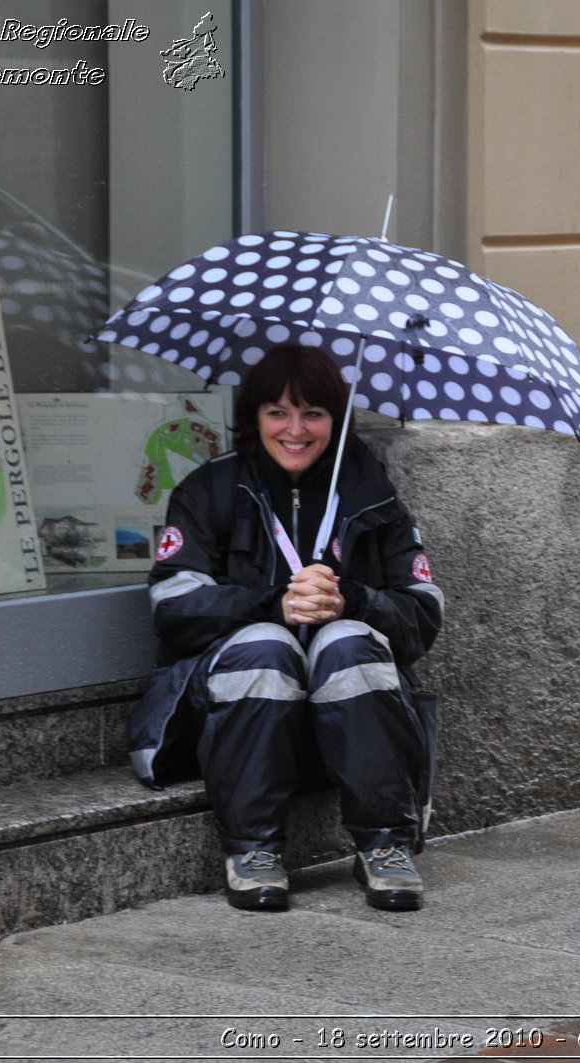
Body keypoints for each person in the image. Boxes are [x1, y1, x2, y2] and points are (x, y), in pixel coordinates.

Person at [127, 343, 444, 912]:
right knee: (265, 646)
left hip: (349, 724)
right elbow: (173, 609)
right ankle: (253, 849)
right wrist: (275, 606)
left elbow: (422, 617)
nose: (295, 429)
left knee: (347, 642)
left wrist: (352, 601)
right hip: (235, 719)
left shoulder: (374, 497)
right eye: (278, 412)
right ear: (254, 416)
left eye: (314, 413)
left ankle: (384, 845)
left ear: (336, 421)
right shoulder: (208, 490)